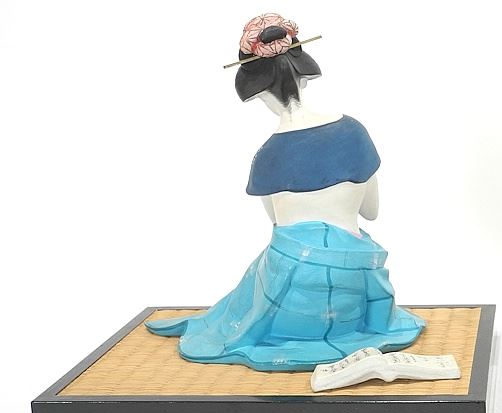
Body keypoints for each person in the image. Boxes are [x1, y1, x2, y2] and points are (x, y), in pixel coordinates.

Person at [145, 14, 425, 372]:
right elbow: (371, 212)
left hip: (289, 298)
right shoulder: (354, 131)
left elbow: (280, 225)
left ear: (259, 92)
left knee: (272, 262)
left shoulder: (267, 156)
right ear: (304, 76)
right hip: (356, 291)